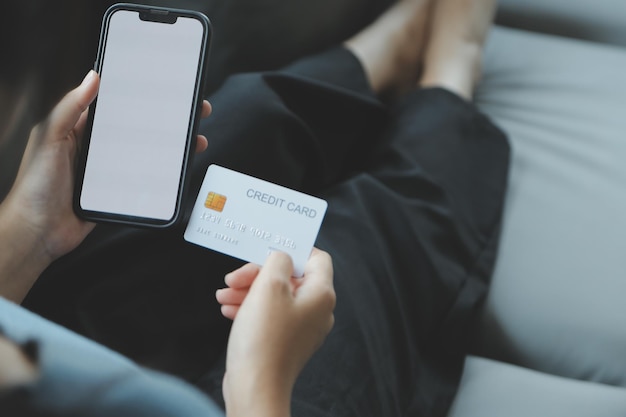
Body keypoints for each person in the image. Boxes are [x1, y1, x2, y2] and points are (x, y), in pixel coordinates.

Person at [0, 0, 508, 416]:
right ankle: (451, 78)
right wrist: (258, 383)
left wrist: (30, 226)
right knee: (355, 256)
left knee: (239, 127)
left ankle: (379, 57)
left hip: (32, 342)